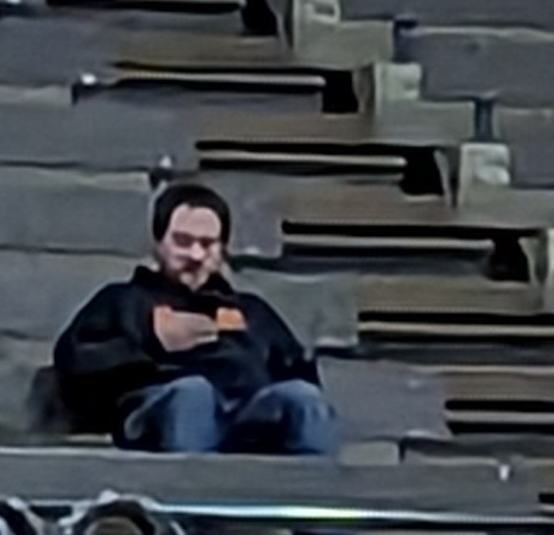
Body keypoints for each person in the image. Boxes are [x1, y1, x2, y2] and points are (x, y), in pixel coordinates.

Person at [51, 181, 339, 457]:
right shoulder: (123, 300)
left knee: (302, 397)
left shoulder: (252, 311)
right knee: (194, 393)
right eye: (183, 242)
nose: (196, 255)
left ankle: (317, 499)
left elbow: (297, 368)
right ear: (158, 243)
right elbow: (75, 363)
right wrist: (151, 345)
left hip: (246, 415)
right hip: (163, 409)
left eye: (208, 244)